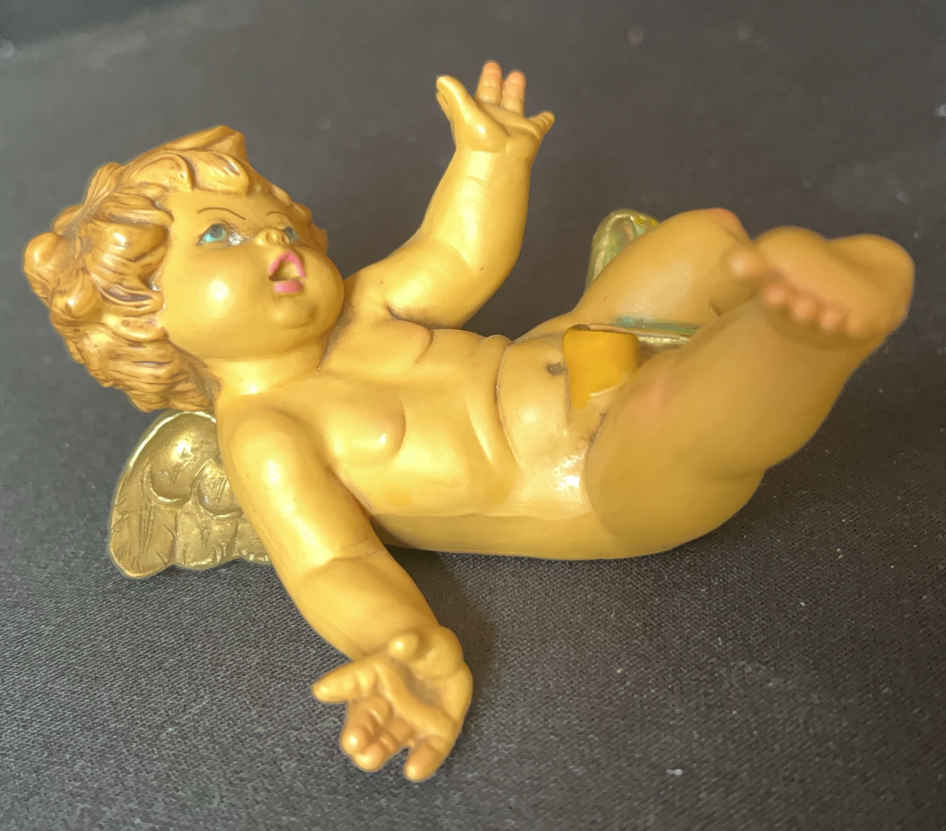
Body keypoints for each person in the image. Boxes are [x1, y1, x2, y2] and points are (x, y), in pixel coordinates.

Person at [23, 61, 913, 780]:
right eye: (220, 236)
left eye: (278, 222)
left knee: (699, 239)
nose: (272, 239)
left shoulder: (365, 303)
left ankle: (763, 300)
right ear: (148, 319)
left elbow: (455, 252)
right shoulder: (270, 432)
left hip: (580, 346)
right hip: (596, 478)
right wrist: (399, 642)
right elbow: (333, 560)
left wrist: (489, 161)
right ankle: (805, 333)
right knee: (673, 411)